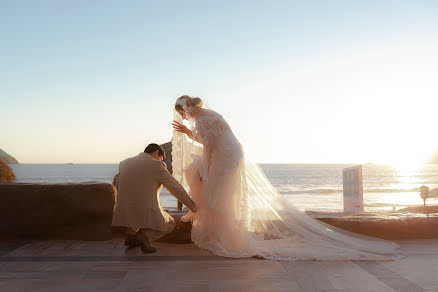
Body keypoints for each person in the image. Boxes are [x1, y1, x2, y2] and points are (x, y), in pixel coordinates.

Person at [172, 95, 404, 260]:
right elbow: (208, 142)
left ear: (188, 108)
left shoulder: (203, 119)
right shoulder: (205, 116)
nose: (184, 118)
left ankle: (225, 237)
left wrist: (208, 172)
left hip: (226, 156)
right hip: (229, 153)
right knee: (218, 192)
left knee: (217, 192)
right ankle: (222, 234)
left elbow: (210, 149)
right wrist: (189, 135)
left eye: (183, 114)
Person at [112, 143, 197, 253]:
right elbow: (175, 188)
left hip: (123, 211)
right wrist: (192, 206)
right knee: (169, 224)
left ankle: (130, 236)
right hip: (143, 210)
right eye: (162, 158)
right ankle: (145, 237)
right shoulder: (156, 165)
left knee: (134, 213)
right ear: (157, 153)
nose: (161, 160)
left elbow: (116, 183)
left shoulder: (124, 163)